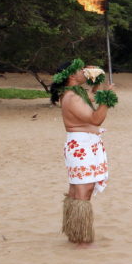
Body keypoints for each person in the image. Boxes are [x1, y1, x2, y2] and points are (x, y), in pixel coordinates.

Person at [50, 58, 117, 245]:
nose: (84, 73)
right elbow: (95, 119)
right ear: (72, 75)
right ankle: (80, 236)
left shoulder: (76, 92)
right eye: (81, 70)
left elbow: (92, 97)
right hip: (82, 147)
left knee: (78, 188)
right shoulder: (73, 97)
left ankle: (75, 231)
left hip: (85, 146)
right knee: (83, 189)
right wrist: (107, 99)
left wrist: (98, 83)